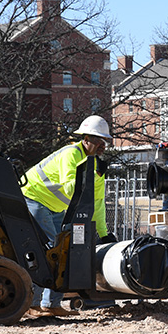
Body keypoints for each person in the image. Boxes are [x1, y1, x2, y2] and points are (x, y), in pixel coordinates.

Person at [20, 115, 114, 317]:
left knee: (63, 252)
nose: (102, 145)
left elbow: (97, 203)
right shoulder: (71, 154)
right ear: (85, 139)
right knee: (47, 252)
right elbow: (71, 188)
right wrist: (91, 174)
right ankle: (32, 304)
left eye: (104, 141)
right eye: (98, 140)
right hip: (34, 198)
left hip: (54, 208)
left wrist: (103, 233)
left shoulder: (96, 166)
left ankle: (51, 304)